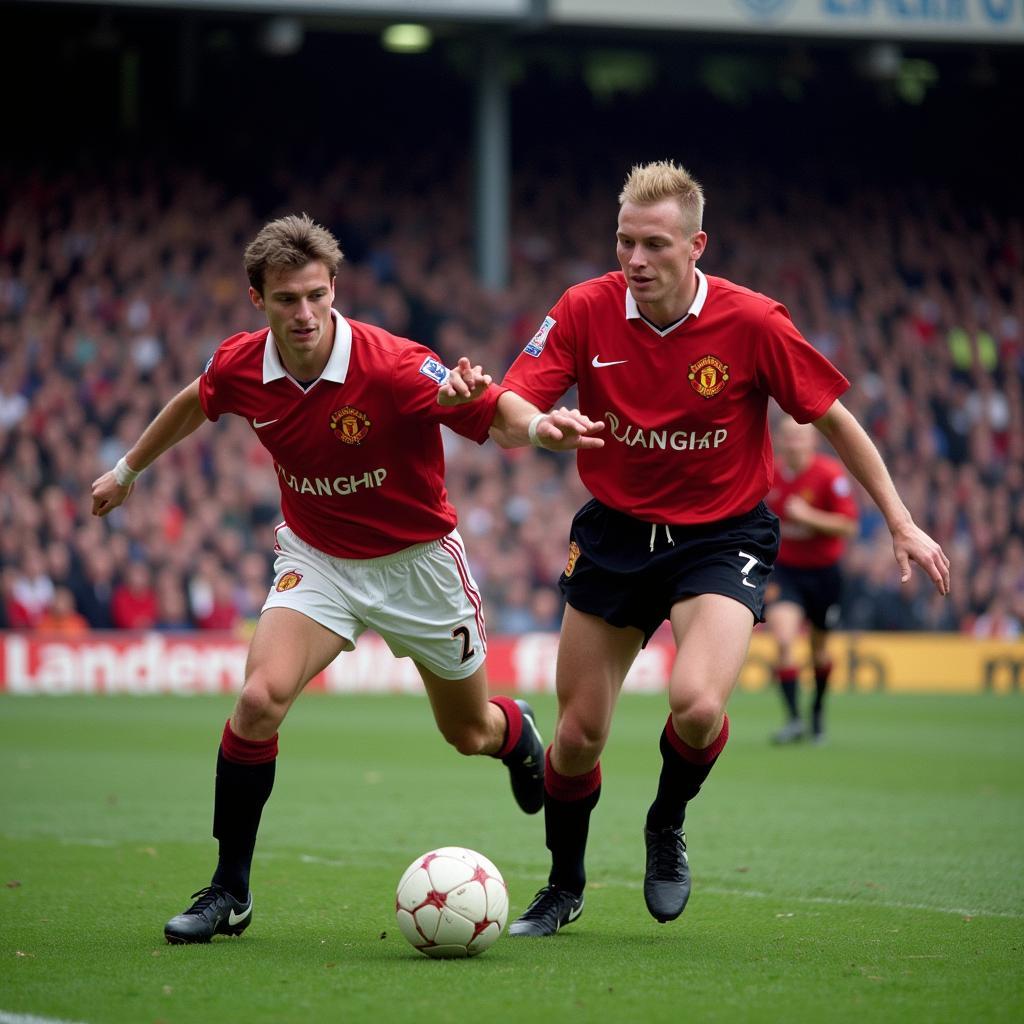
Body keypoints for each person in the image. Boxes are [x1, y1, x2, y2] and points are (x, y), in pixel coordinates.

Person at [443, 160, 950, 936]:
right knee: (576, 738)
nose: (635, 260)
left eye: (653, 244)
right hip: (614, 536)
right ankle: (564, 885)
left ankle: (666, 823)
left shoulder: (753, 322)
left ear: (696, 245)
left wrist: (901, 519)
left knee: (700, 704)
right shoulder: (584, 309)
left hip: (721, 536)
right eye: (624, 243)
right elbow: (511, 404)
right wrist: (538, 426)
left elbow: (835, 418)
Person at [91, 213, 546, 945]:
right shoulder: (242, 364)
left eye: (315, 295)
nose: (304, 314)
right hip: (319, 560)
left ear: (335, 288)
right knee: (257, 700)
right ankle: (229, 891)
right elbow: (190, 403)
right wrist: (125, 472)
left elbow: (491, 414)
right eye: (285, 300)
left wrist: (534, 427)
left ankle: (516, 732)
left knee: (467, 732)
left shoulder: (396, 364)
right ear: (257, 300)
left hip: (418, 564)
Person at [763, 415, 859, 745]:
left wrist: (808, 516)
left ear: (812, 442)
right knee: (785, 638)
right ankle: (793, 720)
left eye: (799, 437)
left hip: (824, 574)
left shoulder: (830, 475)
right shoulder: (769, 473)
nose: (793, 443)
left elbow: (848, 526)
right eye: (787, 437)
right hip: (785, 571)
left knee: (819, 651)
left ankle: (817, 710)